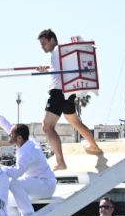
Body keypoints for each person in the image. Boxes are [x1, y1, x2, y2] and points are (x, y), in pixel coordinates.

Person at [37, 28, 102, 170]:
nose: (43, 47)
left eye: (44, 43)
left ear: (52, 40)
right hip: (67, 92)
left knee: (47, 126)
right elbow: (60, 70)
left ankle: (61, 162)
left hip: (58, 93)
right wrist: (47, 70)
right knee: (75, 122)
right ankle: (94, 146)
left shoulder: (58, 50)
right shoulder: (59, 54)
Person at [0, 99, 57, 216]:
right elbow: (6, 125)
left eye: (11, 134)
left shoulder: (28, 151)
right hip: (36, 181)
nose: (9, 134)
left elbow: (17, 173)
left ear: (19, 138)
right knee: (11, 185)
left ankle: (28, 214)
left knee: (14, 183)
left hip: (45, 186)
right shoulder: (25, 140)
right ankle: (10, 211)